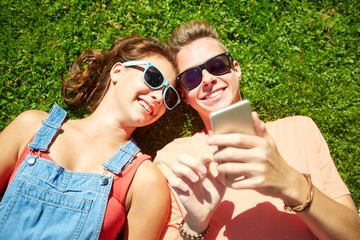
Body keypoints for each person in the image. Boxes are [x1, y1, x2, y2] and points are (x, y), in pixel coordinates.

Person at [154, 20, 360, 239]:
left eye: (216, 66)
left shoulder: (301, 129)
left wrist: (290, 183)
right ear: (184, 95)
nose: (207, 79)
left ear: (236, 69)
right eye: (191, 77)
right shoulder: (172, 160)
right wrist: (195, 224)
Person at [0, 36, 181, 239]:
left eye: (169, 95)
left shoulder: (145, 181)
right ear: (118, 72)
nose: (158, 97)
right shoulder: (31, 126)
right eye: (154, 79)